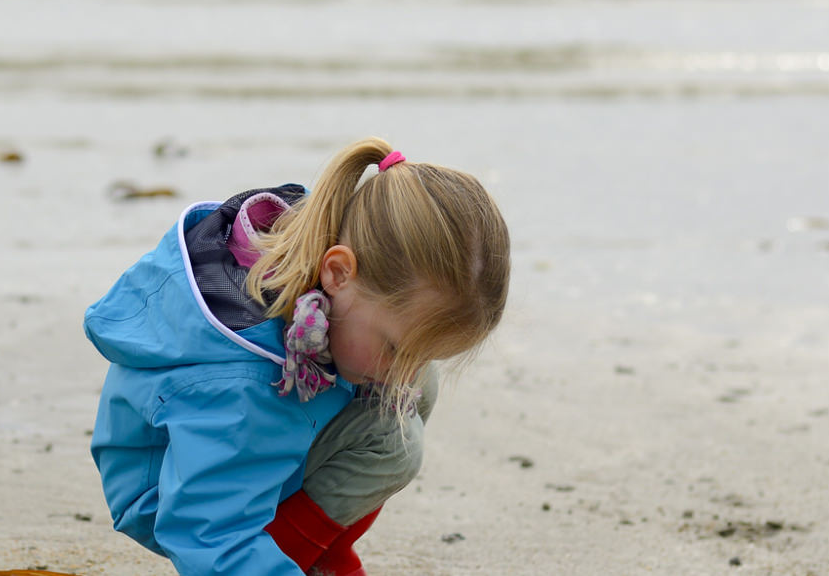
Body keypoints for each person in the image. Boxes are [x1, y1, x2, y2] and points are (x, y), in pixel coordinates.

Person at [85, 137, 510, 575]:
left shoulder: (328, 245)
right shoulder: (242, 381)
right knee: (391, 445)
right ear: (338, 272)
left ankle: (318, 550)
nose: (403, 371)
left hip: (237, 443)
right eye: (394, 349)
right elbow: (207, 535)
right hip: (169, 491)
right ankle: (292, 556)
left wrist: (400, 359)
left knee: (414, 390)